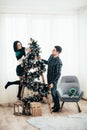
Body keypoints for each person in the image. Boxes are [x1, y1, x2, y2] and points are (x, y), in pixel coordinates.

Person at [42, 46, 62, 112]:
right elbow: (48, 63)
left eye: (54, 50)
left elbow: (58, 74)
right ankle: (55, 105)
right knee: (52, 93)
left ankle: (58, 107)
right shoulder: (51, 56)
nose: (52, 51)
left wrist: (53, 83)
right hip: (49, 77)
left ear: (57, 52)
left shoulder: (59, 62)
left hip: (54, 80)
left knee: (54, 93)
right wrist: (41, 60)